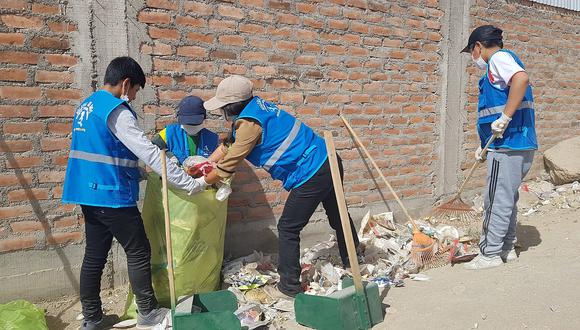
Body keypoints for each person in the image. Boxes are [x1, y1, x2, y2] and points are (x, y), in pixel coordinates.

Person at [61, 57, 207, 329]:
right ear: (126, 83)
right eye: (136, 90)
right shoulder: (116, 110)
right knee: (139, 250)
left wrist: (139, 174)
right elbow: (149, 151)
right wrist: (190, 184)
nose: (135, 96)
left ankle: (92, 319)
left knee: (94, 255)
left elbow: (103, 151)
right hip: (111, 194)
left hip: (87, 192)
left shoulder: (87, 105)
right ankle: (148, 312)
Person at [201, 75, 360, 298]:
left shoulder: (249, 124)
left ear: (232, 106)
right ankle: (355, 259)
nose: (222, 112)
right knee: (338, 215)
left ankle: (289, 287)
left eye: (223, 107)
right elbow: (228, 145)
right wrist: (207, 163)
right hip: (328, 158)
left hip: (312, 172)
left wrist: (197, 182)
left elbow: (230, 163)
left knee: (288, 228)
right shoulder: (256, 109)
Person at [460, 25, 538, 270]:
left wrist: (504, 118)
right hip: (517, 144)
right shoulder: (503, 63)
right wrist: (483, 146)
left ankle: (489, 254)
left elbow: (521, 79)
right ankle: (506, 247)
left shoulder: (498, 59)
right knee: (507, 199)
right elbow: (492, 112)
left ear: (478, 47)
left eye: (472, 53)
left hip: (508, 145)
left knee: (495, 200)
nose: (474, 58)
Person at [151, 95, 219, 163]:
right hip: (175, 172)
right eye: (188, 123)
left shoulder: (212, 139)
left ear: (204, 119)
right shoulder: (169, 132)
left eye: (195, 123)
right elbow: (153, 146)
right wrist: (169, 155)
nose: (191, 126)